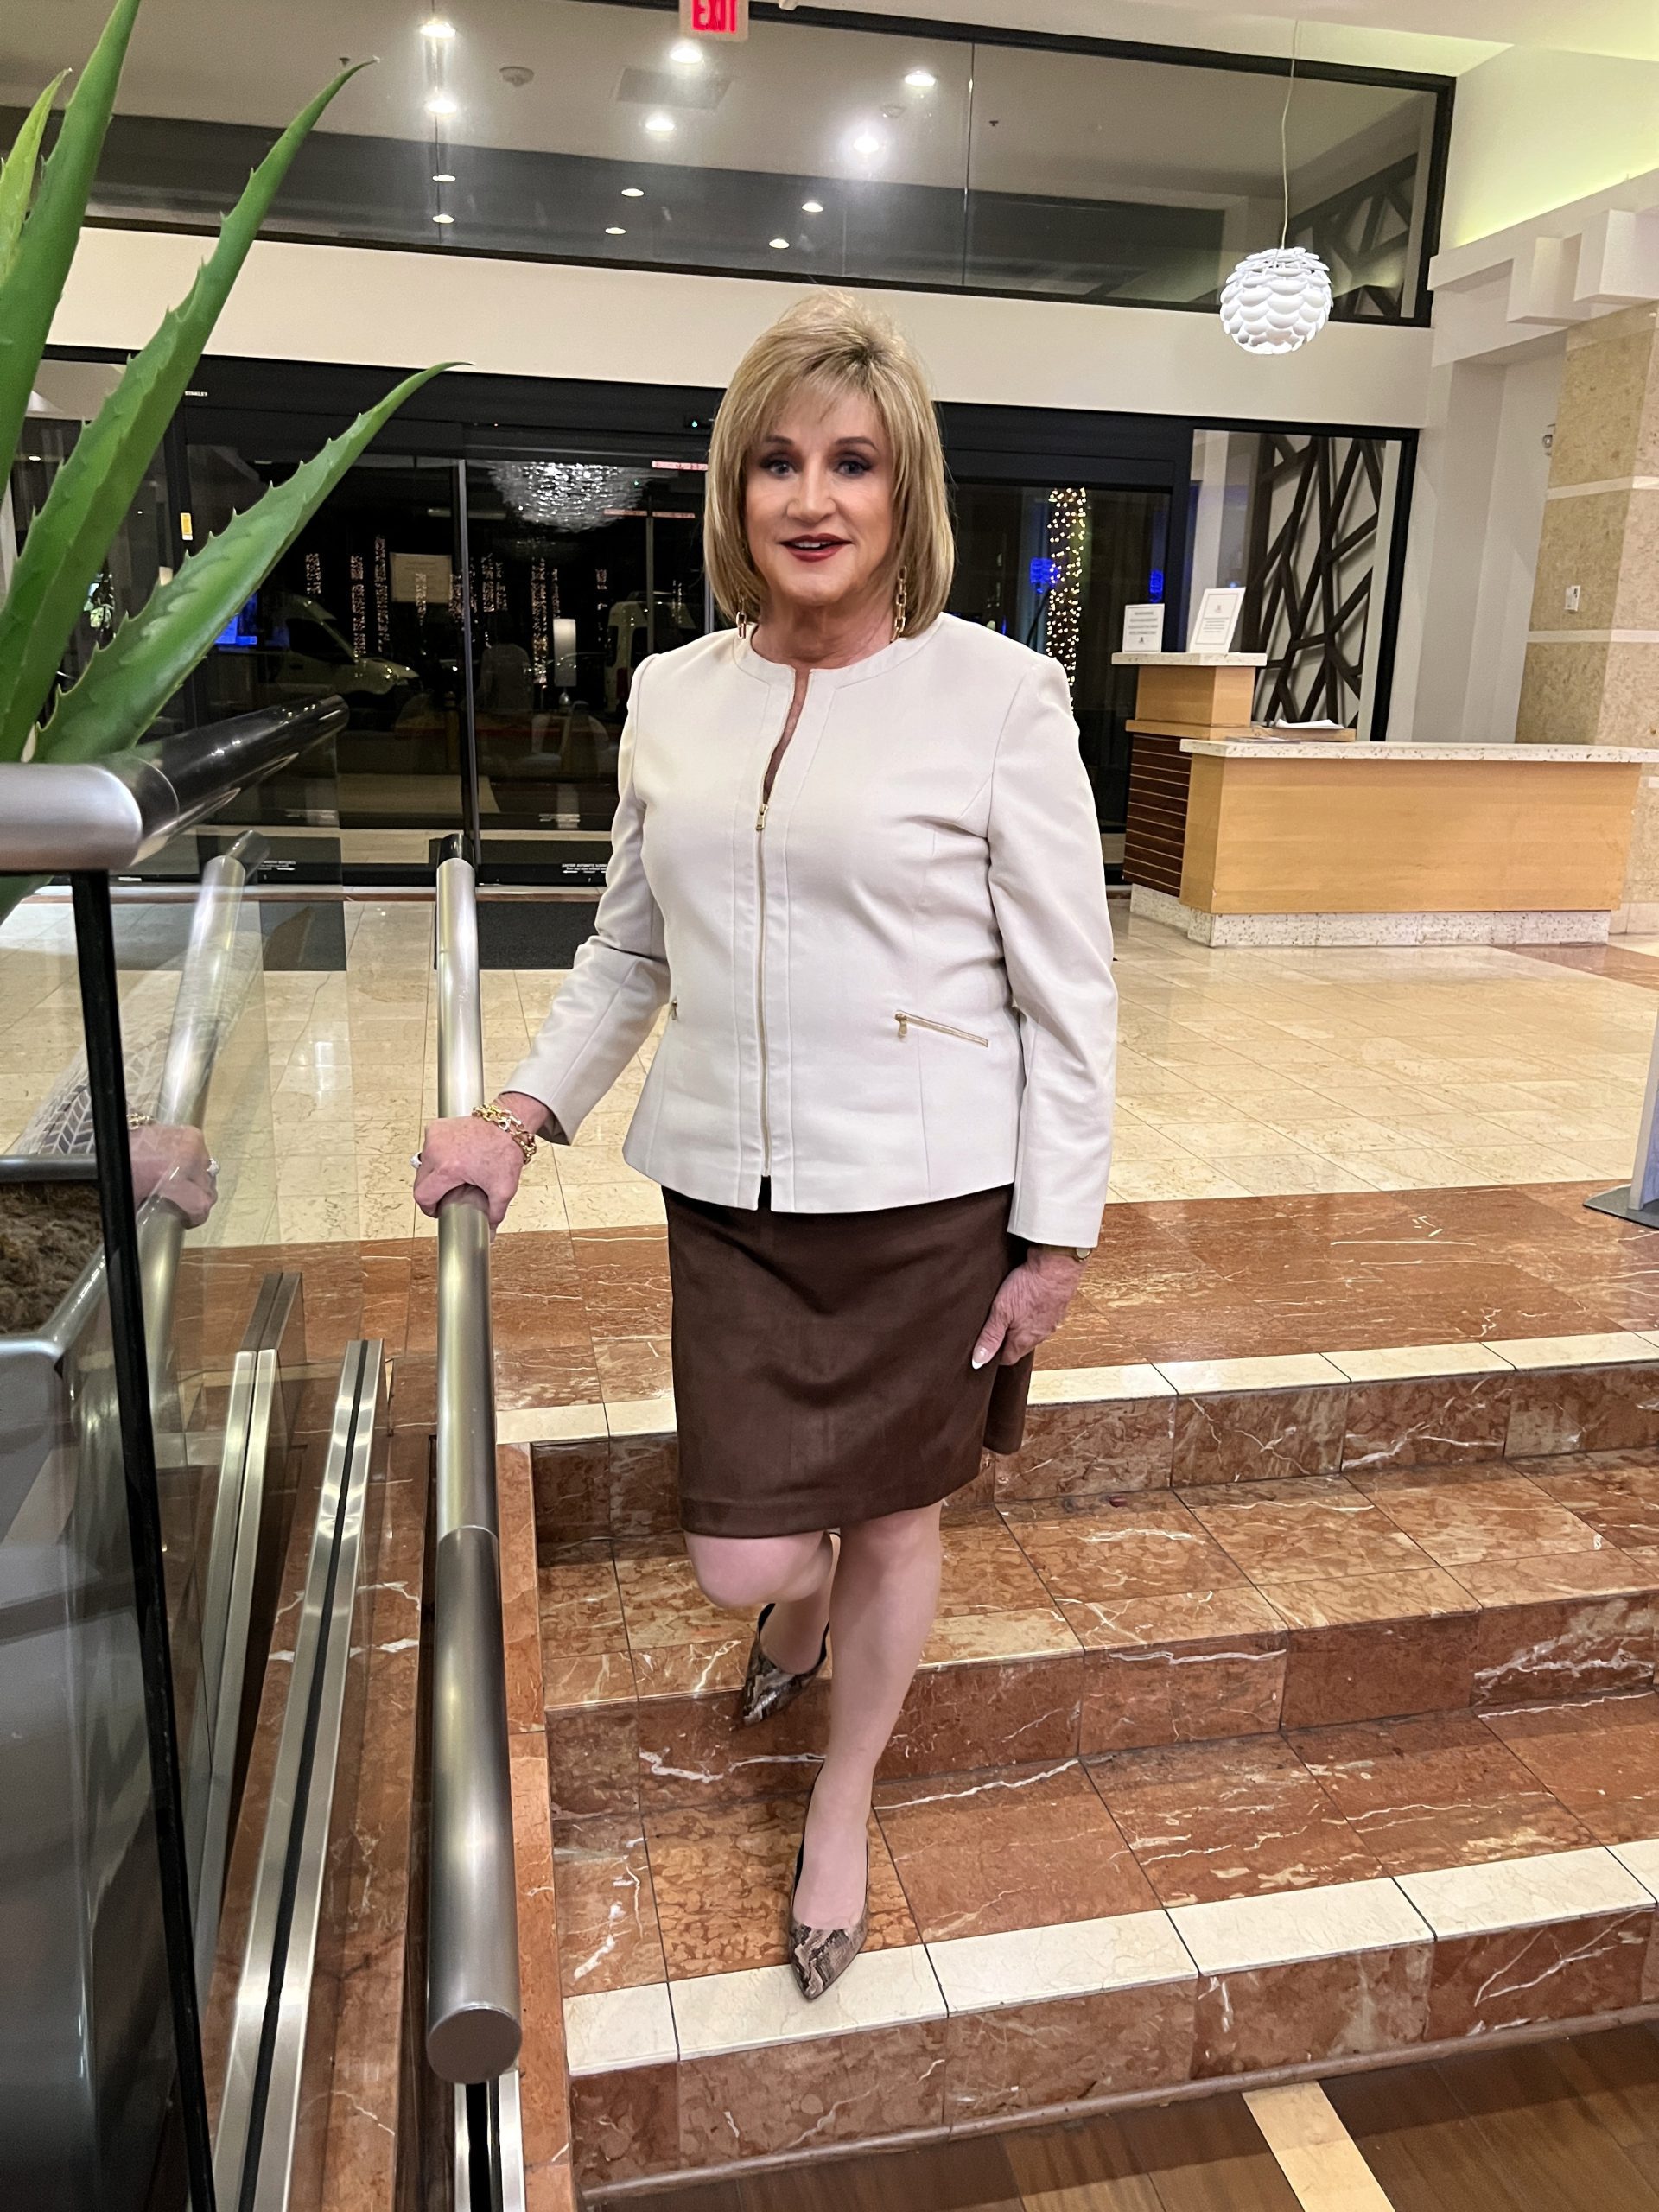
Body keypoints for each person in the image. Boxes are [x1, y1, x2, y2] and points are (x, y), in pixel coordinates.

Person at [415, 291, 1117, 2000]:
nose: (814, 499)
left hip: (931, 1203)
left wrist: (1056, 1236)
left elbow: (1070, 987)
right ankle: (788, 1610)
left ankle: (844, 1797)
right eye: (779, 463)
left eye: (853, 463)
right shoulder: (674, 695)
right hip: (730, 1197)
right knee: (745, 1547)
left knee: (895, 1523)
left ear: (905, 491)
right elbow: (627, 949)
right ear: (736, 492)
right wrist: (519, 1114)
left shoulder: (1002, 697)